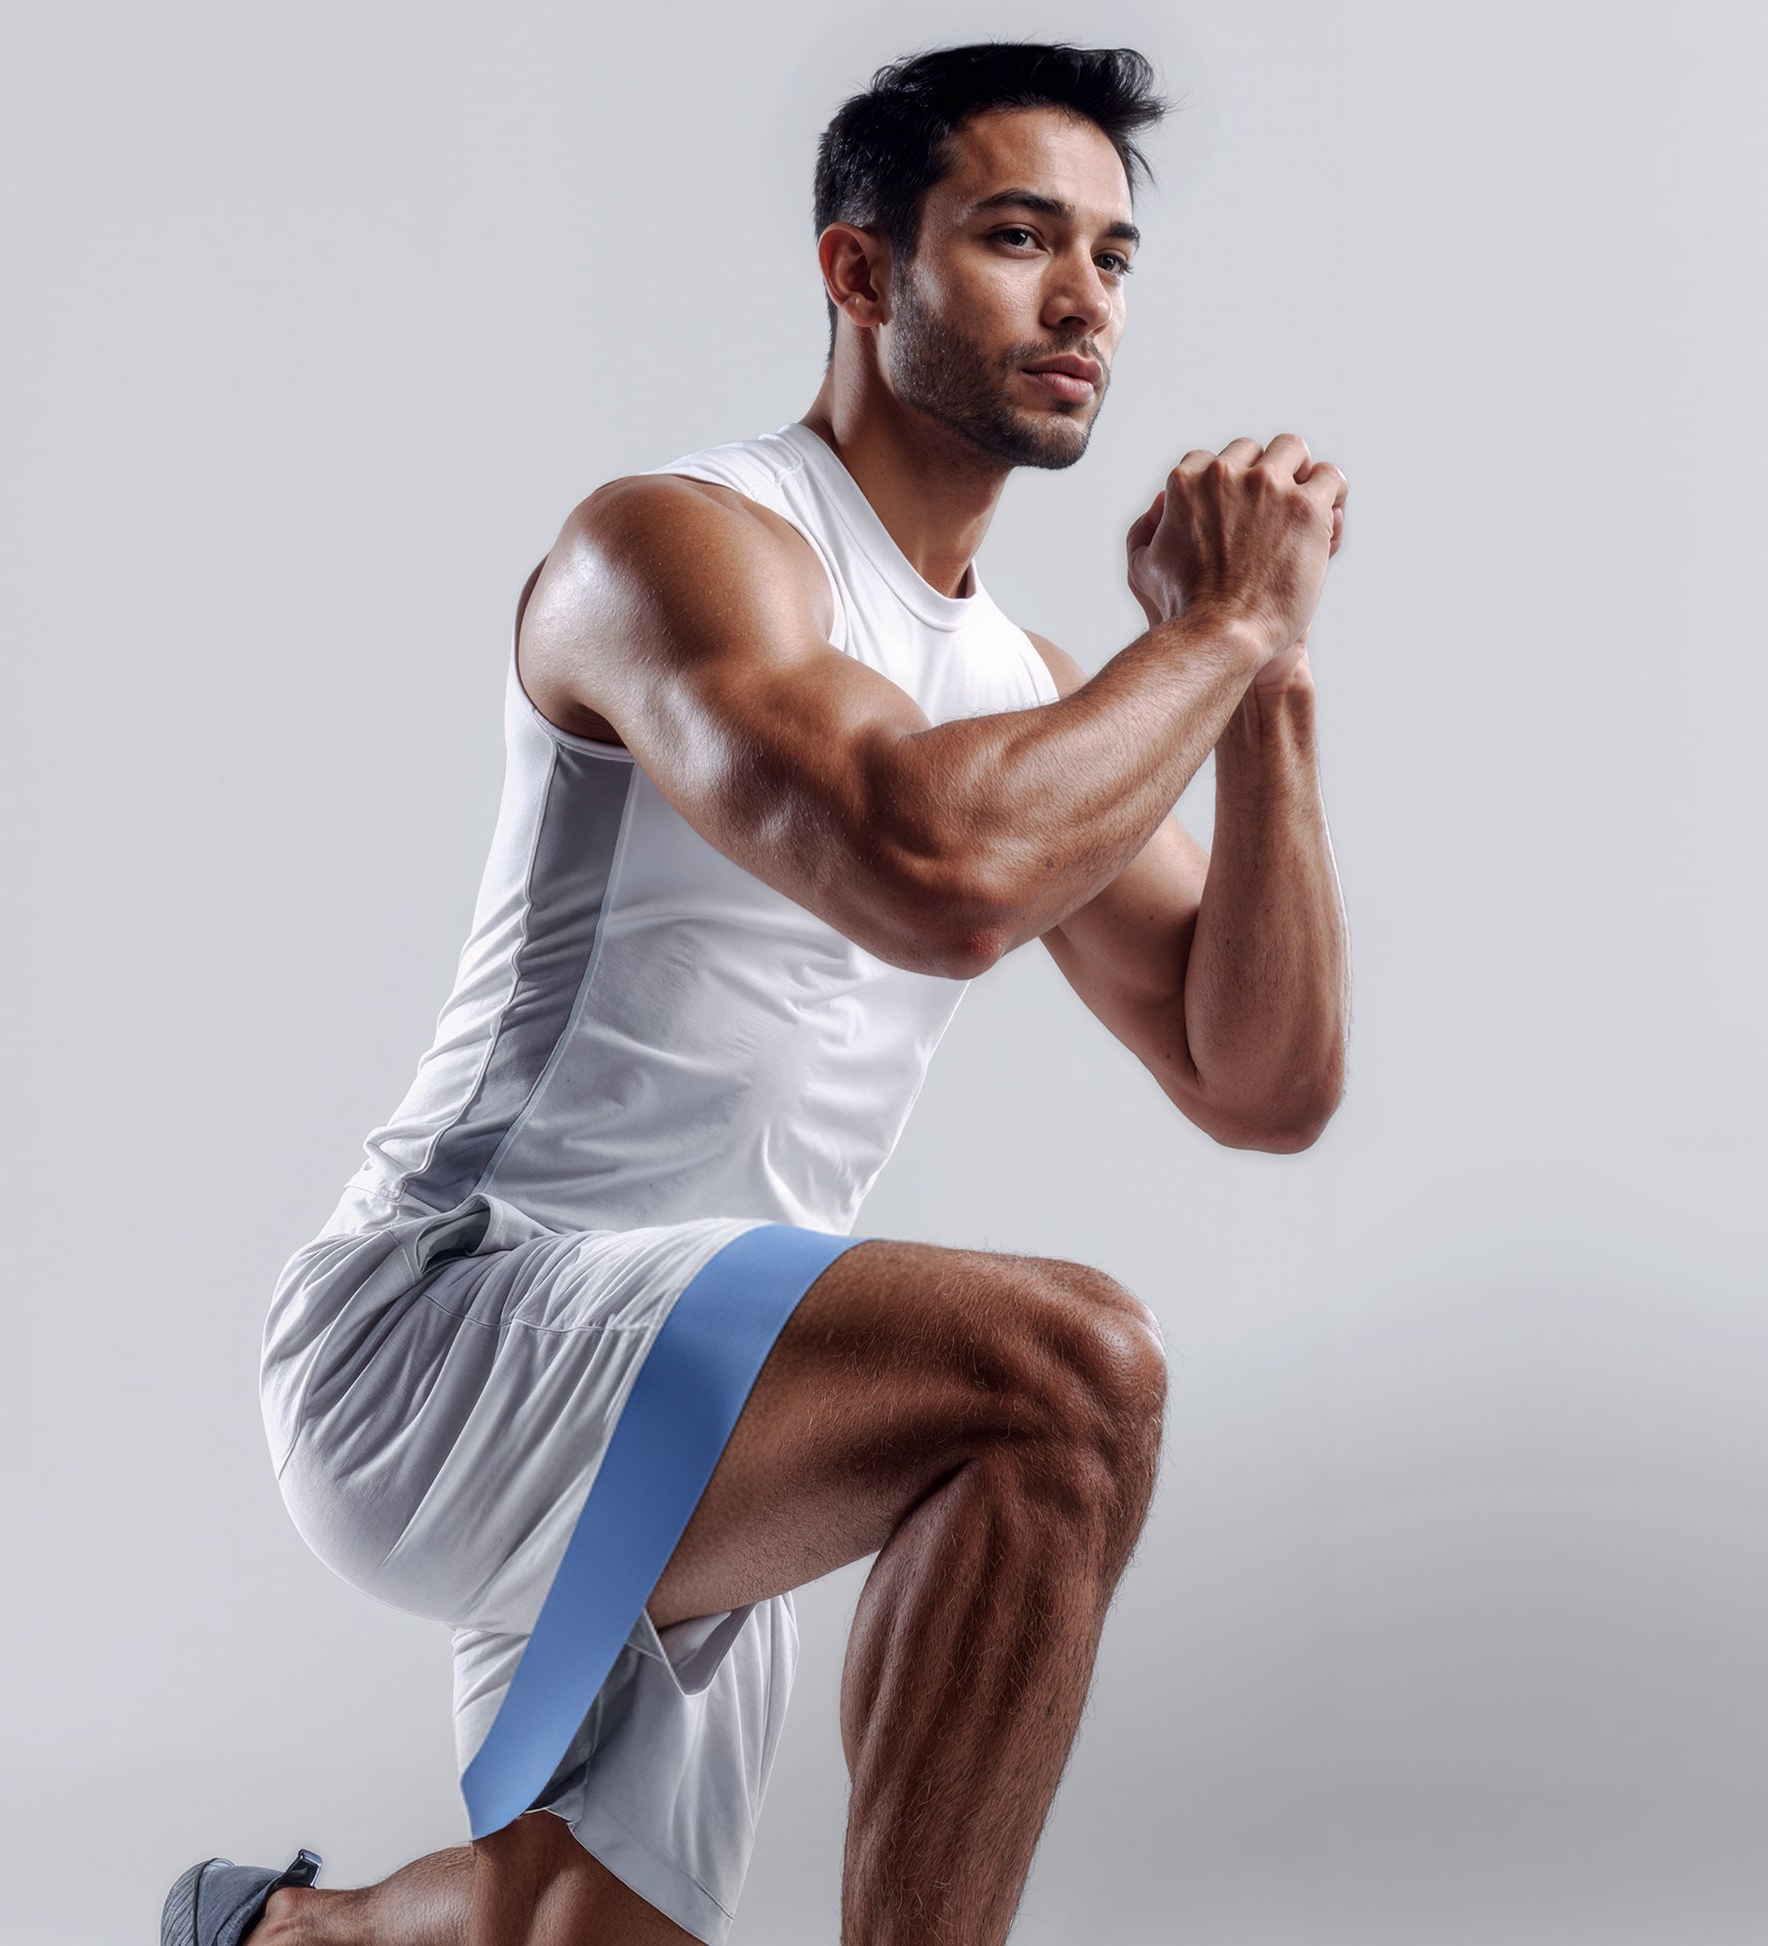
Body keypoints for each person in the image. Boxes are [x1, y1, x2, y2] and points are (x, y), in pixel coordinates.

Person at [162, 37, 1351, 1946]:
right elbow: (931, 868)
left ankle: (286, 1930)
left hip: (722, 1377)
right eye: (1017, 236)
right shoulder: (680, 545)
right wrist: (1209, 629)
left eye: (1115, 259)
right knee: (1065, 1374)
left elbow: (1259, 1074)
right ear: (860, 272)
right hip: (454, 1323)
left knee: (567, 1927)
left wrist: (1262, 685)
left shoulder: (1030, 690)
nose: (1081, 300)